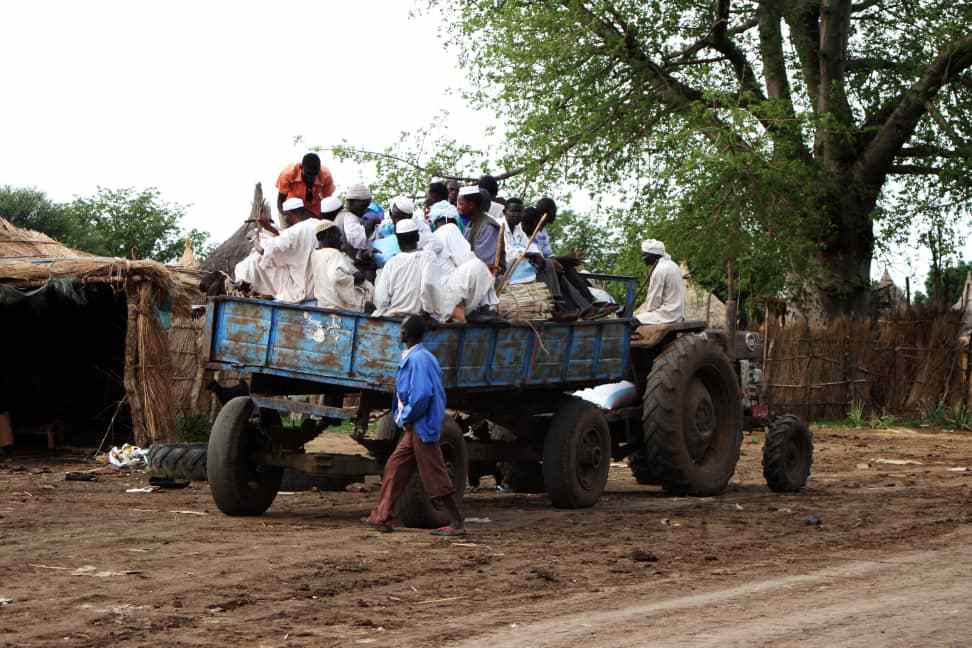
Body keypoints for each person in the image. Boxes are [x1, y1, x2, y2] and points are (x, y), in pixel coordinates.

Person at [364, 316, 464, 536]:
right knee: (395, 466)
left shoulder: (418, 359)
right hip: (415, 426)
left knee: (434, 473)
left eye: (402, 329)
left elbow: (422, 395)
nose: (400, 332)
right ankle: (382, 515)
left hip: (422, 425)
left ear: (407, 334)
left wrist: (407, 416)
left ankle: (456, 522)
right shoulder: (418, 356)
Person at [234, 197, 322, 302]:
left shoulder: (293, 232)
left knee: (255, 259)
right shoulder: (319, 225)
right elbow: (288, 240)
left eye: (285, 216)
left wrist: (254, 238)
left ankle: (243, 285)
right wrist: (269, 227)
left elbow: (263, 251)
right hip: (318, 288)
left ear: (289, 214)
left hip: (301, 289)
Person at [423, 212, 497, 323]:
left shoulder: (431, 241)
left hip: (436, 305)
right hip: (449, 303)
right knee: (478, 265)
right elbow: (465, 258)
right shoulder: (449, 230)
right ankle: (481, 308)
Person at [372, 220, 435, 317]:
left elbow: (381, 298)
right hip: (419, 317)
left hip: (393, 316)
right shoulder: (428, 257)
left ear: (397, 239)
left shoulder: (391, 263)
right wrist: (428, 310)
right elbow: (427, 286)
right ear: (418, 237)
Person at [310, 220, 373, 312]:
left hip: (323, 305)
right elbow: (338, 277)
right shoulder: (334, 254)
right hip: (340, 307)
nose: (341, 240)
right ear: (328, 235)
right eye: (338, 236)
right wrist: (355, 278)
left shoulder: (315, 254)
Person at [637, 239, 685, 325]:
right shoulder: (672, 264)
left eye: (644, 255)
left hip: (667, 314)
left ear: (653, 255)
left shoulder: (659, 270)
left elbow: (654, 301)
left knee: (630, 321)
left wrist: (645, 313)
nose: (643, 258)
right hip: (677, 313)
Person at [276, 153, 335, 218]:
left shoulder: (326, 176)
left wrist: (324, 219)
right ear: (301, 167)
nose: (311, 177)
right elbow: (281, 199)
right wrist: (285, 215)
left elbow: (327, 201)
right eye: (308, 173)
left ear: (319, 169)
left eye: (315, 173)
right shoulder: (287, 174)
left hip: (315, 209)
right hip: (293, 208)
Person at [458, 186, 501, 270]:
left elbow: (483, 261)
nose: (458, 207)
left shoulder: (488, 227)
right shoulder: (471, 223)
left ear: (471, 205)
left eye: (461, 204)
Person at [335, 184, 372, 251]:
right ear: (351, 202)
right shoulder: (349, 218)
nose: (365, 209)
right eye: (363, 205)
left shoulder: (341, 215)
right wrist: (370, 226)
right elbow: (359, 242)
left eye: (367, 205)